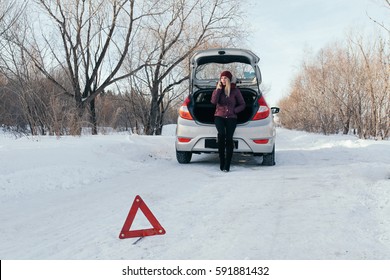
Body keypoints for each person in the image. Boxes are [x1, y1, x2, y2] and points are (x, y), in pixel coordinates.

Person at [211, 70, 245, 172]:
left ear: (229, 79)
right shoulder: (218, 89)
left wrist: (234, 110)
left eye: (225, 78)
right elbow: (213, 102)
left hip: (231, 117)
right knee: (221, 135)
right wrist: (218, 90)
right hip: (219, 116)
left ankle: (227, 164)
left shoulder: (235, 91)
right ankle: (221, 161)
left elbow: (242, 104)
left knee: (229, 138)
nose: (223, 80)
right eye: (221, 78)